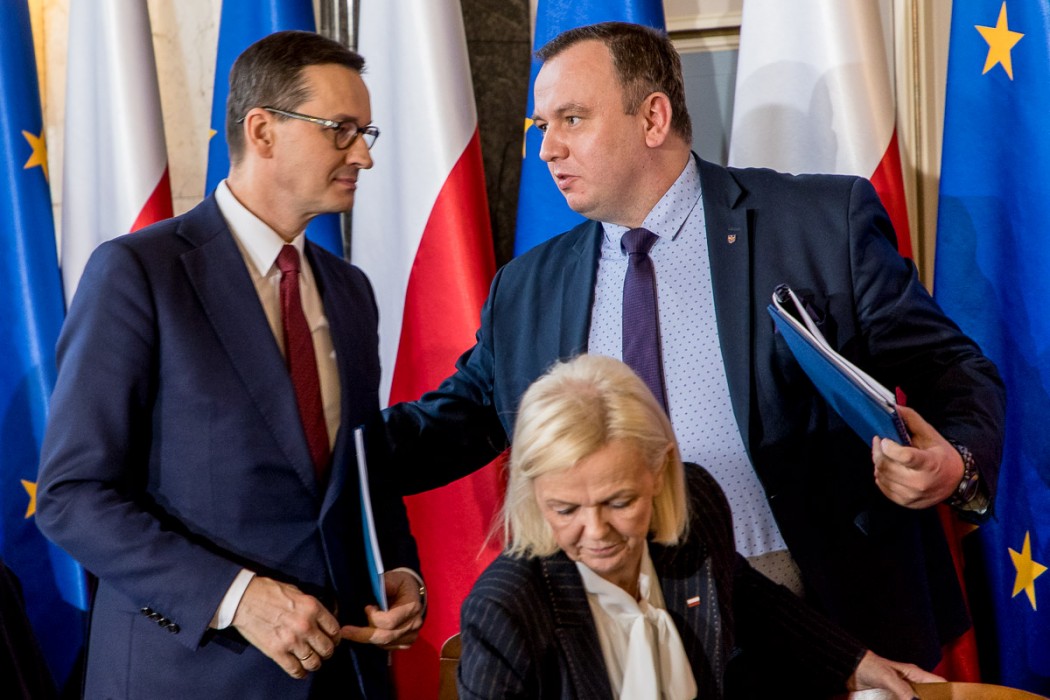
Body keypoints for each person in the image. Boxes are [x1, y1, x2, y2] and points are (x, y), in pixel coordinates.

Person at [384, 21, 1005, 671]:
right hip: (616, 628)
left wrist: (956, 463)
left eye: (571, 119)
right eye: (542, 126)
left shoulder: (820, 224)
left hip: (825, 618)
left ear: (653, 118)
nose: (547, 149)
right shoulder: (526, 287)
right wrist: (335, 452)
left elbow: (952, 369)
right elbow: (455, 424)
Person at [36, 30, 422, 700]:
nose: (363, 154)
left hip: (340, 674)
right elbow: (73, 495)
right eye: (341, 130)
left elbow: (360, 474)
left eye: (366, 133)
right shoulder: (139, 274)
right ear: (263, 131)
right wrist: (237, 597)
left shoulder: (350, 291)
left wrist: (396, 570)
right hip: (188, 677)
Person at [459, 354, 942, 699]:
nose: (596, 530)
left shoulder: (696, 505)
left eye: (619, 502)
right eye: (565, 509)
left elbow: (741, 592)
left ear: (659, 471)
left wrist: (853, 663)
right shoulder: (505, 607)